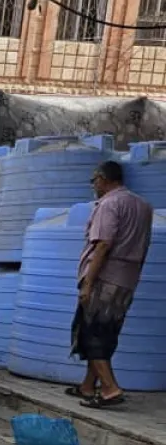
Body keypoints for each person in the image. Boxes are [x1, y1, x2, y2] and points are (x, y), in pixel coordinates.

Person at [69, 160, 153, 408]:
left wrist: (88, 283)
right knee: (107, 332)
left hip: (105, 278)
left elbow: (103, 244)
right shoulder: (143, 206)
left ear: (103, 179)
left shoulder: (109, 204)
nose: (93, 186)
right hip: (127, 279)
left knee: (90, 332)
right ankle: (88, 386)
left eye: (94, 180)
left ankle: (109, 388)